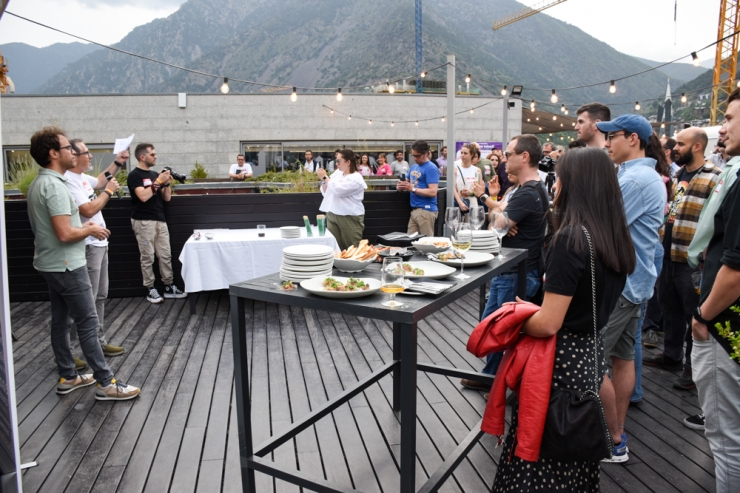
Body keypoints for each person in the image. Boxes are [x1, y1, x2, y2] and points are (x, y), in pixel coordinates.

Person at [491, 147, 635, 492]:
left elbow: (549, 322)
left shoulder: (571, 239)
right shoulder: (614, 237)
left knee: (537, 455)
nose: (554, 186)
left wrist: (512, 318)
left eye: (559, 179)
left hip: (557, 364)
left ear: (575, 184)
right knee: (572, 459)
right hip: (588, 356)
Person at [26, 126, 140, 401]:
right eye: (68, 148)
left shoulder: (41, 183)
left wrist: (82, 224)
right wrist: (88, 229)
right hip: (67, 264)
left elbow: (60, 225)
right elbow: (65, 234)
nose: (73, 153)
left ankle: (68, 375)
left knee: (60, 320)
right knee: (88, 322)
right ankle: (105, 383)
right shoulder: (55, 186)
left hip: (51, 263)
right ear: (54, 153)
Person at [595, 115, 666, 463]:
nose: (607, 143)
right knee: (623, 359)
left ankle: (607, 437)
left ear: (633, 139)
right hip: (637, 282)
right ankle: (616, 435)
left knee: (590, 361)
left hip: (620, 286)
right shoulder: (640, 175)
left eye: (613, 137)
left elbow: (604, 228)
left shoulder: (635, 180)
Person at [461, 135, 548, 386]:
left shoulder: (527, 194)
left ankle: (501, 384)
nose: (504, 158)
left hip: (517, 273)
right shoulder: (523, 191)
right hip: (511, 271)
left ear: (524, 157)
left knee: (503, 332)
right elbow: (498, 224)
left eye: (509, 154)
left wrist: (501, 215)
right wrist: (502, 215)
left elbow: (497, 225)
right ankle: (490, 377)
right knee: (492, 329)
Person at [691, 87, 740, 493]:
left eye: (729, 118)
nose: (722, 127)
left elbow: (736, 269)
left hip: (725, 331)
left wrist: (703, 315)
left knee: (727, 441)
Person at [644, 128, 720, 389]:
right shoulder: (677, 175)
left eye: (680, 144)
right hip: (668, 252)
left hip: (692, 258)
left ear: (697, 147)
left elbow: (715, 220)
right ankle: (672, 355)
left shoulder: (714, 177)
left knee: (692, 313)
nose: (674, 148)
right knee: (669, 307)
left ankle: (692, 369)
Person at [65, 139, 126, 362]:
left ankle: (99, 342)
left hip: (100, 243)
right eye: (87, 153)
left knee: (99, 297)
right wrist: (109, 192)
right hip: (88, 245)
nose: (90, 156)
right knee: (83, 301)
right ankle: (70, 353)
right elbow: (89, 209)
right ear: (74, 155)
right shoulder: (67, 180)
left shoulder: (82, 178)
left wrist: (118, 162)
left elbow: (100, 181)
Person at [128, 143, 187, 304]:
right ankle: (150, 288)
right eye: (152, 154)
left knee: (165, 255)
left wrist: (166, 183)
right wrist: (158, 181)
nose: (156, 157)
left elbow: (166, 198)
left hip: (160, 219)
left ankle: (168, 286)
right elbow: (143, 196)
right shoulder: (134, 175)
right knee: (147, 257)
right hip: (143, 221)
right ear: (142, 157)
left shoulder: (154, 174)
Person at [316, 149, 367, 250]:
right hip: (332, 213)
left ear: (348, 162)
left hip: (349, 216)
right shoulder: (338, 173)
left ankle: (351, 266)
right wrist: (324, 180)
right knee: (334, 248)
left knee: (351, 248)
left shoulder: (356, 178)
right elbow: (326, 191)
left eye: (339, 161)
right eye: (336, 160)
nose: (337, 164)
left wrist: (325, 178)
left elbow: (339, 190)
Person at [396, 140, 439, 236]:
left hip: (426, 210)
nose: (415, 158)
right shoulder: (413, 167)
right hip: (415, 210)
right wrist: (400, 186)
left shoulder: (431, 168)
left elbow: (433, 192)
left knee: (427, 244)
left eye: (418, 156)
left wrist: (413, 189)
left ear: (426, 153)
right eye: (413, 155)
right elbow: (406, 182)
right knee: (410, 243)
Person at [453, 144, 483, 215]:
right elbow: (453, 188)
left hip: (473, 203)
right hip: (459, 202)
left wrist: (471, 193)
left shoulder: (477, 170)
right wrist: (460, 202)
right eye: (461, 153)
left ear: (471, 155)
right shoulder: (455, 169)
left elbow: (480, 190)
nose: (462, 155)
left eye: (465, 153)